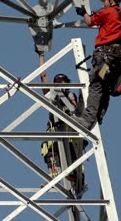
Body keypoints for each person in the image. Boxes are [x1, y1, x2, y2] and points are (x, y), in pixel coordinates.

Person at [74, 0, 121, 130]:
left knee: (96, 86)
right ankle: (98, 116)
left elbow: (89, 21)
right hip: (115, 60)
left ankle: (87, 120)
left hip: (104, 57)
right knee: (105, 87)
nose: (103, 2)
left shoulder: (108, 12)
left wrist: (83, 13)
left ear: (112, 1)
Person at [37, 53, 86, 195]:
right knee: (52, 155)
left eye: (63, 80)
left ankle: (78, 179)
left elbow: (78, 110)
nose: (60, 82)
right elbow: (43, 76)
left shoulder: (72, 96)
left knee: (73, 155)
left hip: (71, 134)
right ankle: (53, 180)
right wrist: (41, 56)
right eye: (57, 80)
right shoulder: (51, 95)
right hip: (54, 133)